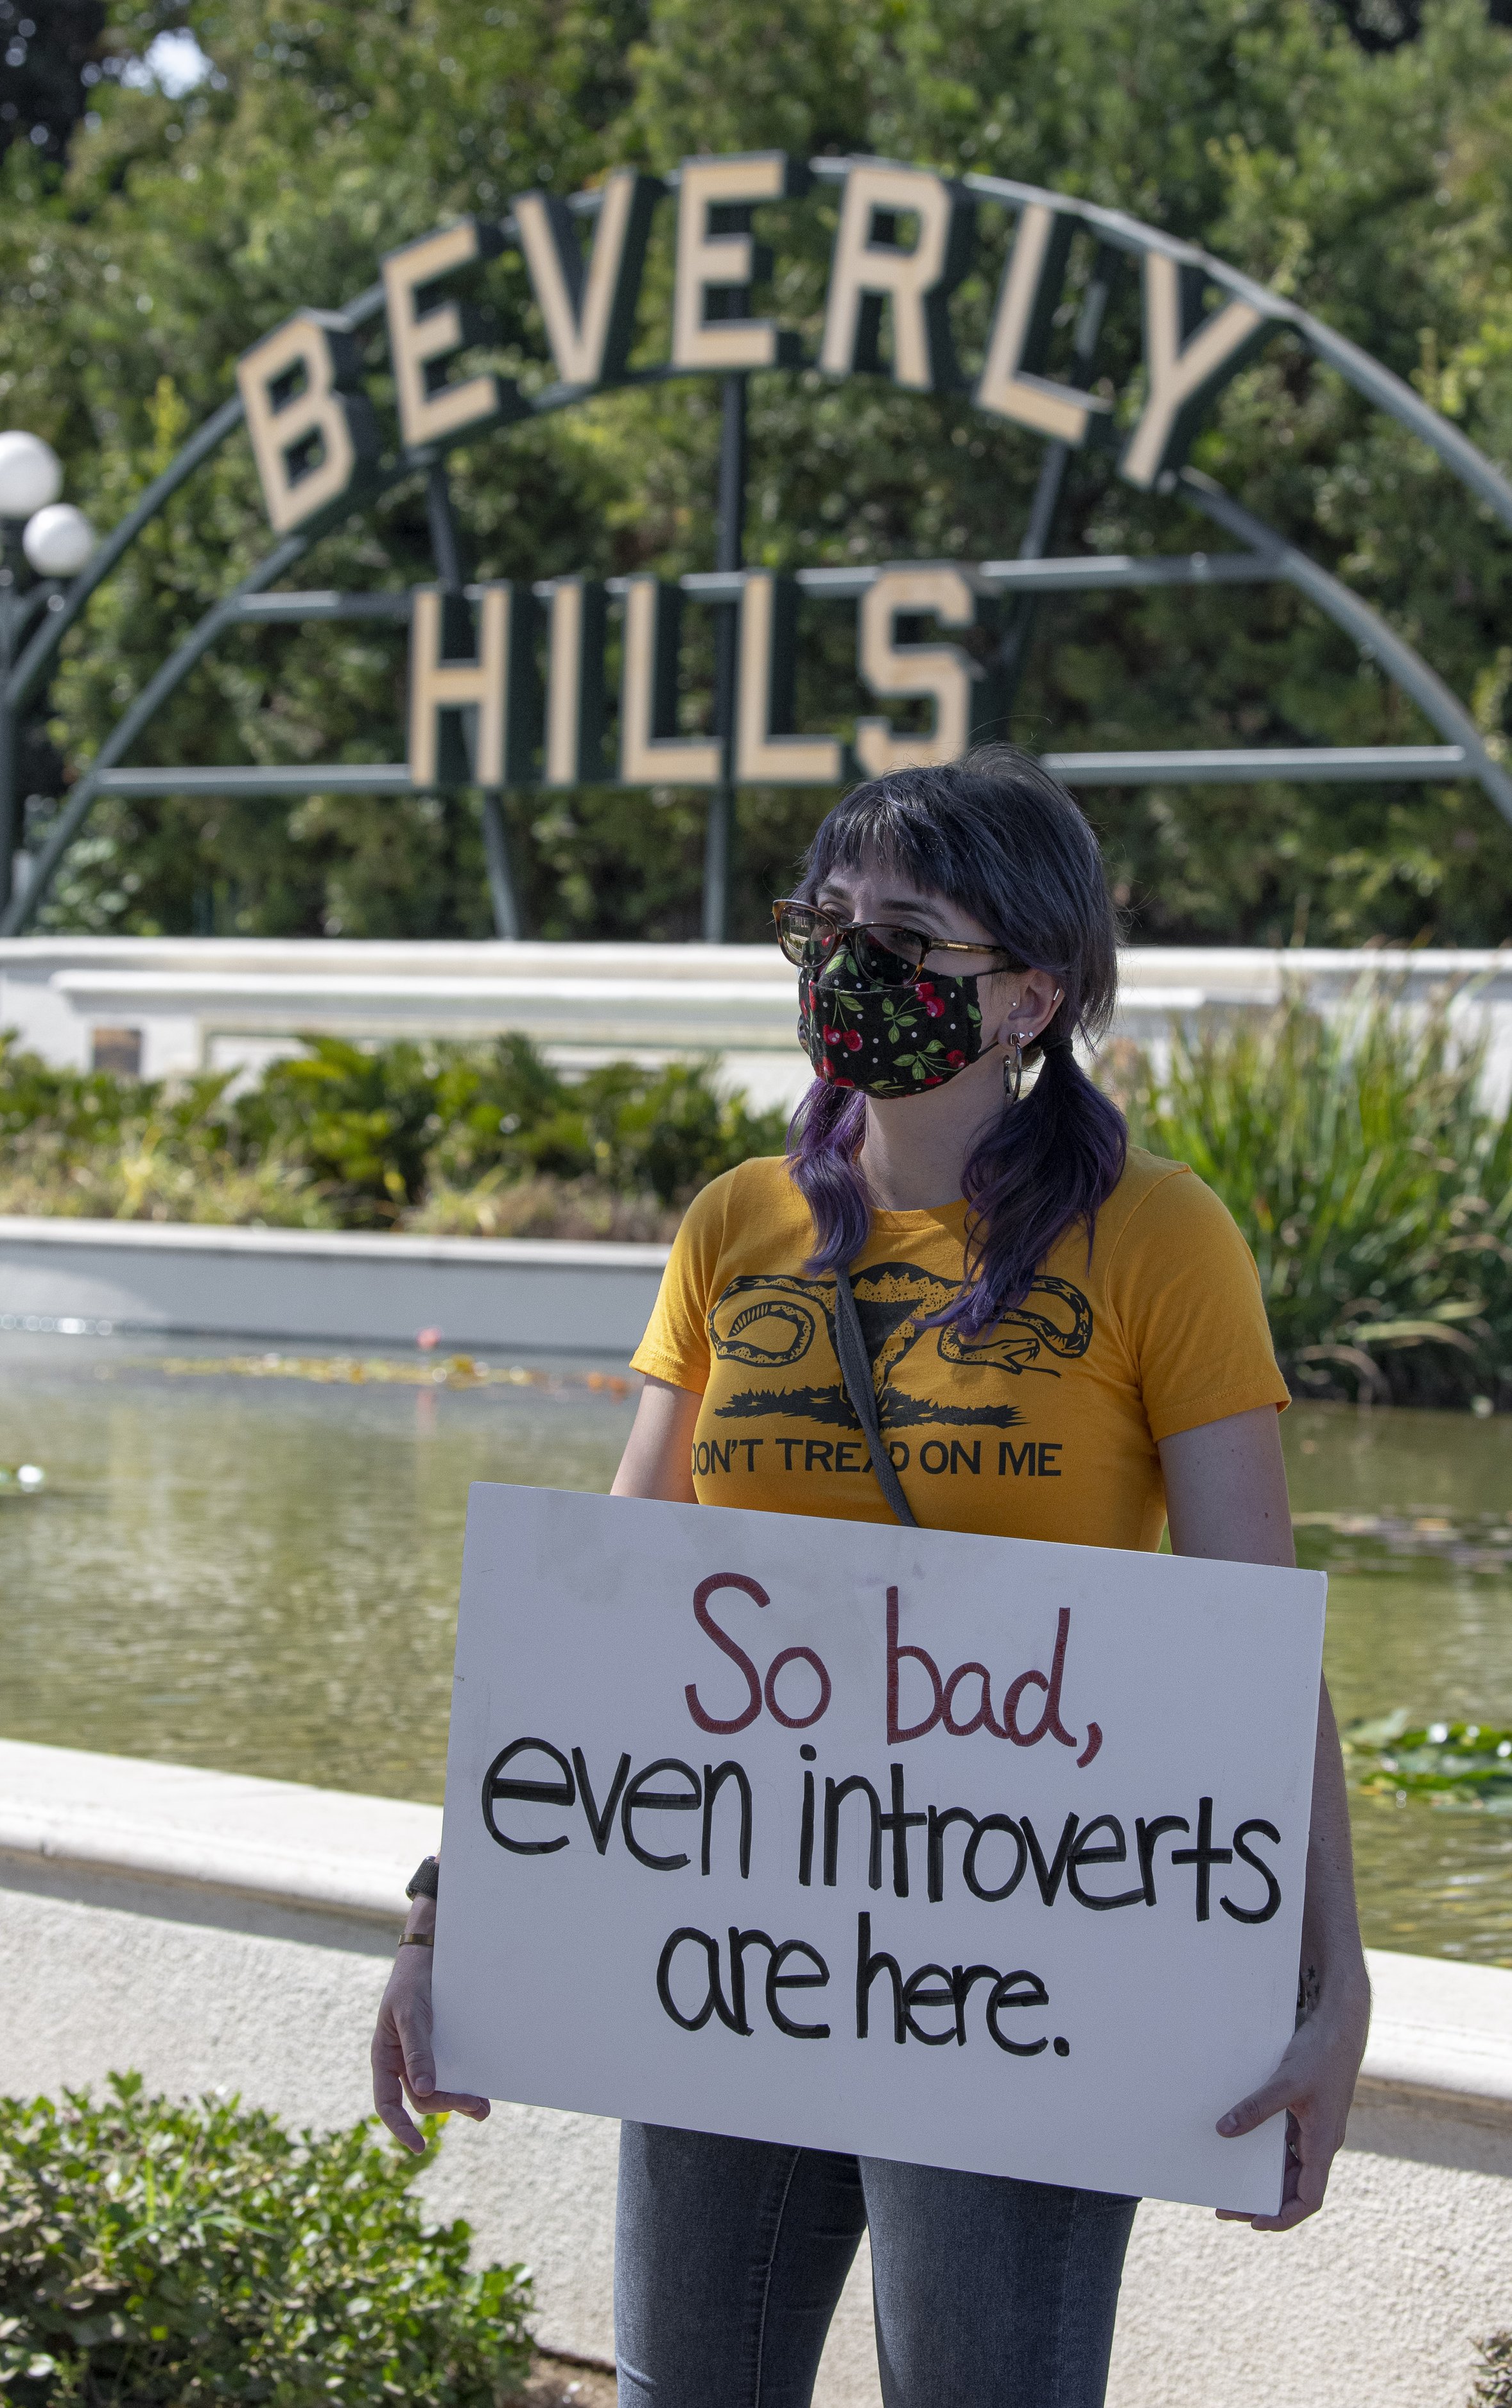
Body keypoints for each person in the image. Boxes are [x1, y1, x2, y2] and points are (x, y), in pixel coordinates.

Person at [372, 746, 1369, 2408]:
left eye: (905, 939)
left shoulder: (1156, 1239)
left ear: (1025, 995)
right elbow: (611, 1609)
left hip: (1028, 1975)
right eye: (823, 925)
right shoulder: (734, 1226)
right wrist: (449, 1909)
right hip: (729, 1938)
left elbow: (1253, 1644)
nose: (849, 970)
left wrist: (1333, 1980)